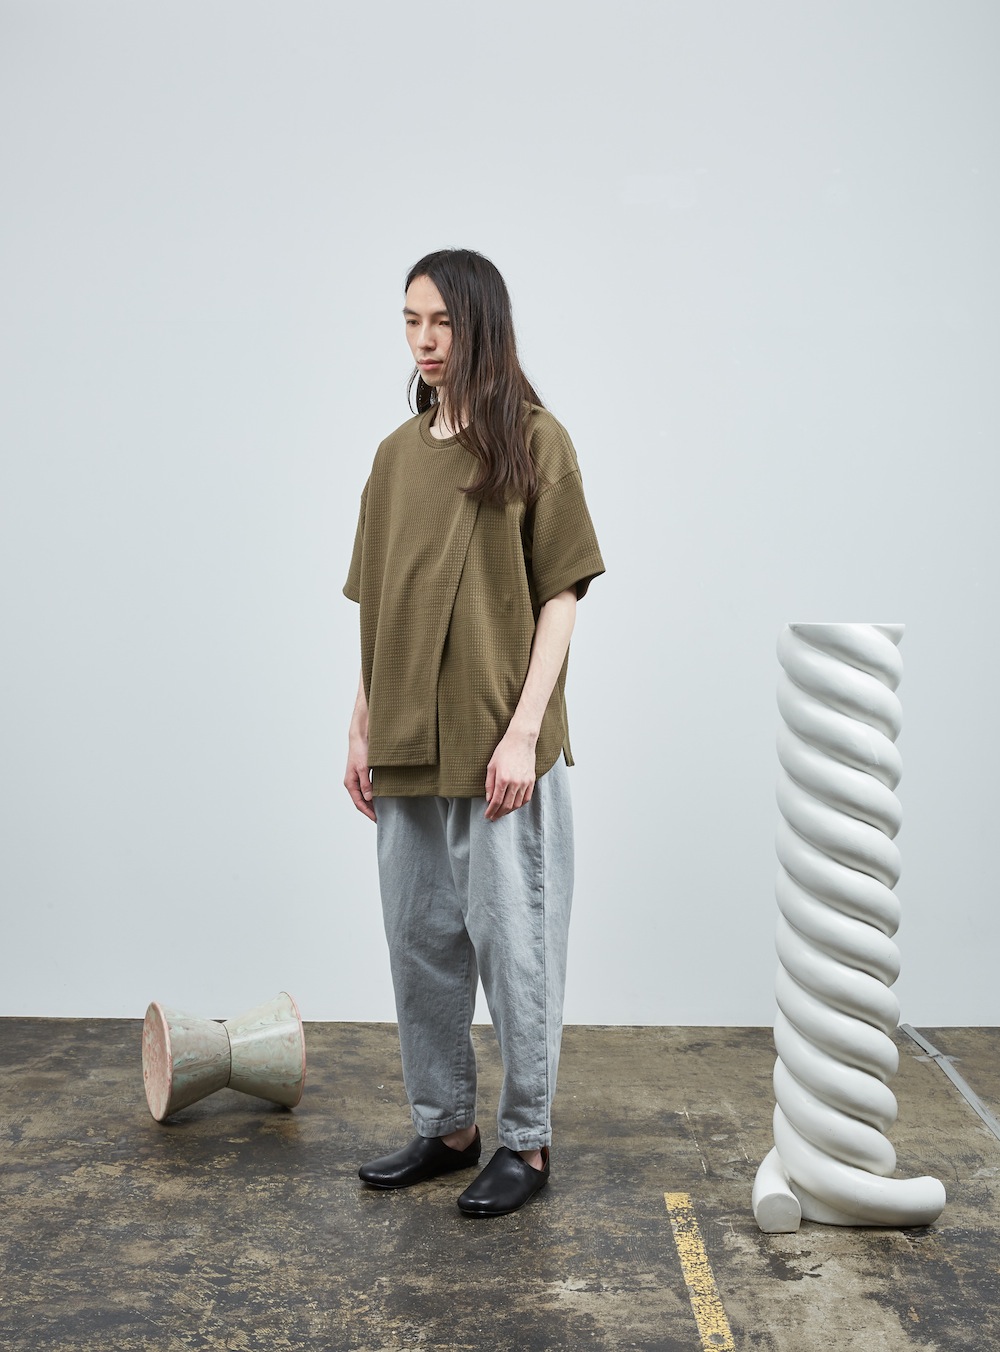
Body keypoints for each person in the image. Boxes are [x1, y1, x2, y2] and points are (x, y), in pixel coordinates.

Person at [343, 248, 604, 1217]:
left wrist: (524, 733)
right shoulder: (393, 457)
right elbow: (376, 604)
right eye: (411, 320)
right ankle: (447, 1127)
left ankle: (526, 1144)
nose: (424, 340)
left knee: (517, 949)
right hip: (406, 745)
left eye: (443, 321)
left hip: (499, 748)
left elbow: (562, 595)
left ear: (481, 323)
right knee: (420, 946)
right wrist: (361, 724)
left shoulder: (535, 441)